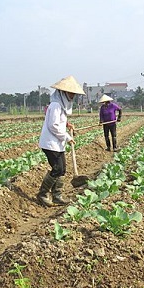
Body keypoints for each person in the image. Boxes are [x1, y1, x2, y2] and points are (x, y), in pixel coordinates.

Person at [38, 75, 86, 206]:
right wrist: (67, 137)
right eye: (71, 93)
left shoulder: (61, 105)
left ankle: (57, 195)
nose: (73, 96)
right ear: (63, 92)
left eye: (73, 93)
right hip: (50, 143)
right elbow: (53, 125)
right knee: (58, 168)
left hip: (56, 143)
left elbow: (58, 121)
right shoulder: (55, 105)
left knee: (62, 169)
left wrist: (67, 124)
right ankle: (42, 194)